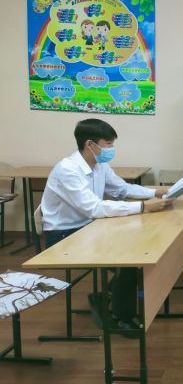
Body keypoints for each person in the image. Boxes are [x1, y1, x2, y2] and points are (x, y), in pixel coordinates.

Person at [41, 118, 171, 334]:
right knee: (130, 260)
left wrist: (155, 192)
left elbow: (122, 189)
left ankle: (109, 294)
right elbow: (93, 208)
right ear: (90, 144)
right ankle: (122, 318)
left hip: (89, 227)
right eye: (108, 143)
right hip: (63, 235)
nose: (112, 148)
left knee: (139, 246)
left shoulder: (99, 164)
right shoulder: (68, 170)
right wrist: (143, 207)